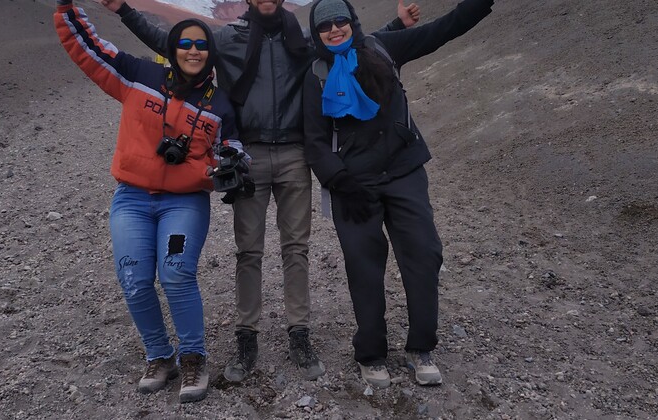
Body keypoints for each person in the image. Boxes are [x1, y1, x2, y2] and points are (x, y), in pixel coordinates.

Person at [99, 0, 422, 383]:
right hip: (248, 154)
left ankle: (299, 333)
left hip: (295, 154)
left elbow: (350, 44)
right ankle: (246, 336)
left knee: (296, 249)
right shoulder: (227, 38)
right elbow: (171, 42)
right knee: (248, 251)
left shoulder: (302, 39)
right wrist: (124, 10)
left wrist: (397, 24)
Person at [54, 0, 249, 402]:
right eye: (185, 43)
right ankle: (160, 356)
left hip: (184, 204)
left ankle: (194, 357)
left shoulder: (219, 105)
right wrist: (65, 8)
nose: (193, 50)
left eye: (201, 45)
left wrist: (233, 160)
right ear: (173, 48)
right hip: (132, 200)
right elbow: (89, 49)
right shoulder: (139, 76)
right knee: (134, 278)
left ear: (209, 54)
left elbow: (230, 149)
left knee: (176, 271)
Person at [302, 0, 494, 388]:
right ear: (317, 33)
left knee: (424, 253)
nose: (335, 29)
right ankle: (371, 353)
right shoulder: (315, 74)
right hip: (353, 186)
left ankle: (421, 347)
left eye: (341, 20)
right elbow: (314, 141)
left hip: (404, 171)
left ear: (352, 21)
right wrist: (340, 182)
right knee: (364, 267)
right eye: (325, 25)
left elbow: (442, 29)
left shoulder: (382, 48)